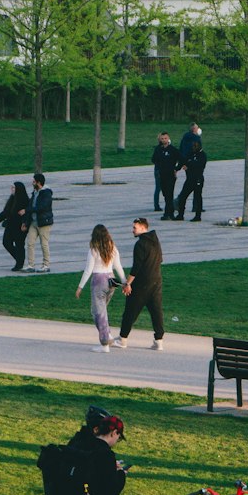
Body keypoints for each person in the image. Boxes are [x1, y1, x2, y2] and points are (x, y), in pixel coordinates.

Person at [112, 217, 165, 350]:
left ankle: (123, 339)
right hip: (156, 281)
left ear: (142, 228)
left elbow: (136, 267)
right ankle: (159, 341)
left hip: (142, 283)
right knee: (156, 312)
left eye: (134, 228)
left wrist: (127, 283)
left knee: (130, 311)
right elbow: (160, 259)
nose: (132, 230)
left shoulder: (140, 244)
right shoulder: (155, 241)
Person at [76, 223, 127, 351]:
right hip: (111, 279)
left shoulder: (93, 250)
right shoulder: (113, 248)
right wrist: (125, 282)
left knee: (98, 313)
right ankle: (108, 336)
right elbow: (118, 267)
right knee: (101, 310)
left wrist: (80, 287)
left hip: (99, 280)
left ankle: (104, 343)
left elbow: (88, 270)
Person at [0, 181, 30, 272]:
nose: (12, 189)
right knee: (6, 242)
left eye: (13, 188)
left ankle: (19, 264)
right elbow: (6, 212)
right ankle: (19, 259)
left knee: (19, 245)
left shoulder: (24, 200)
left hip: (20, 227)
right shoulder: (12, 199)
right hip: (10, 225)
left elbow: (28, 214)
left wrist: (25, 224)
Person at [26, 172, 53, 272]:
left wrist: (28, 210)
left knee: (44, 244)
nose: (32, 183)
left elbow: (42, 207)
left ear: (38, 182)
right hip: (34, 221)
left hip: (44, 222)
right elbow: (30, 205)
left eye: (33, 181)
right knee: (30, 243)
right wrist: (26, 221)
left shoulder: (46, 193)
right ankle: (31, 265)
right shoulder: (35, 192)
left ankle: (46, 265)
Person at [176, 137, 207, 221]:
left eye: (195, 146)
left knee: (197, 197)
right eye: (193, 146)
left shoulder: (202, 155)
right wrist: (177, 168)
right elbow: (183, 161)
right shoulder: (190, 153)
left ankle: (198, 216)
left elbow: (199, 165)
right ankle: (180, 214)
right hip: (189, 179)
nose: (194, 147)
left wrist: (189, 165)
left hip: (198, 179)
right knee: (183, 196)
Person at [151, 133, 182, 220]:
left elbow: (182, 159)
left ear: (168, 139)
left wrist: (176, 168)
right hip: (162, 174)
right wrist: (160, 166)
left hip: (171, 175)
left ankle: (169, 213)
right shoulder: (158, 149)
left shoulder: (173, 149)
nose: (163, 140)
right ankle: (168, 212)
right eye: (162, 139)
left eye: (165, 138)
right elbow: (154, 159)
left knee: (169, 194)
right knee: (165, 194)